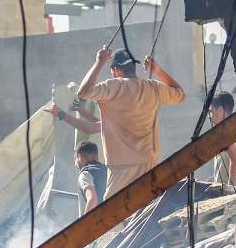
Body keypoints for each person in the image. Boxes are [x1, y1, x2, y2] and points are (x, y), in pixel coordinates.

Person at [77, 47, 185, 197]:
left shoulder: (112, 86)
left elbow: (83, 91)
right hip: (149, 163)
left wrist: (99, 62)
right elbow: (180, 94)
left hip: (121, 167)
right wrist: (157, 69)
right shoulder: (152, 87)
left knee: (111, 215)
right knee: (147, 211)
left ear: (116, 69)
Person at [208, 91, 236, 187]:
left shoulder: (225, 133)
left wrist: (230, 188)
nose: (209, 117)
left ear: (220, 110)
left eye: (211, 111)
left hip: (228, 193)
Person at [75, 141, 108, 214]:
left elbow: (92, 200)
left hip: (105, 220)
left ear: (80, 157)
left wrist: (84, 224)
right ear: (96, 157)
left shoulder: (85, 174)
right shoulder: (108, 169)